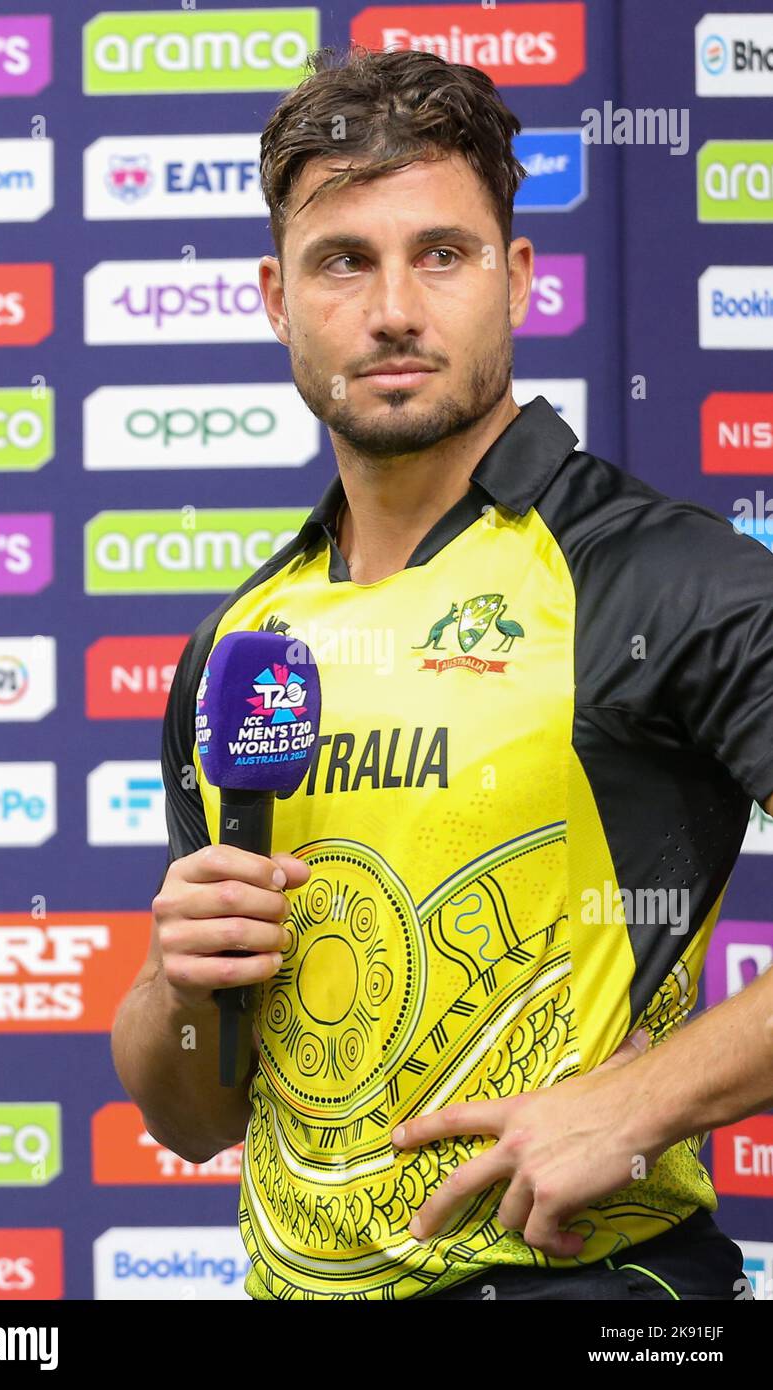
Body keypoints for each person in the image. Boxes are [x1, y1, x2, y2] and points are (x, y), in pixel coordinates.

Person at [111, 45, 773, 1301]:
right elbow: (195, 1116)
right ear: (275, 295)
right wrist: (172, 986)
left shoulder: (648, 577)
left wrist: (640, 1096)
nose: (394, 308)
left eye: (442, 254)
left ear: (517, 278)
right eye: (343, 260)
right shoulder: (241, 644)